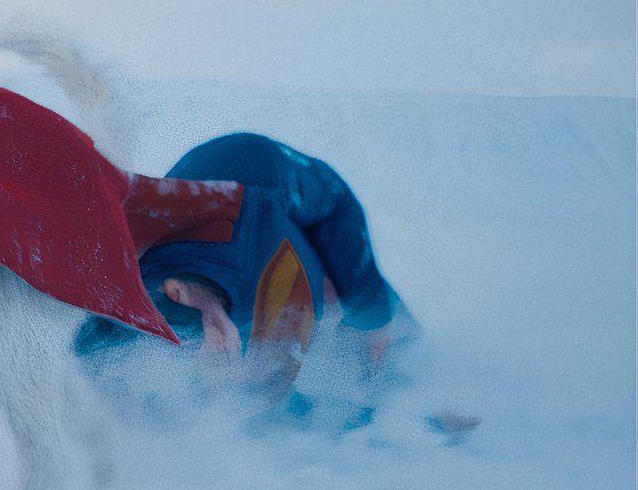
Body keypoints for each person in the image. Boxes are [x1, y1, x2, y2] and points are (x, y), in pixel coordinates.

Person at [75, 133, 426, 429]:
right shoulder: (179, 325)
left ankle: (400, 382)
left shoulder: (352, 302)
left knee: (368, 327)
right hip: (240, 209)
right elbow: (101, 335)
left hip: (255, 202)